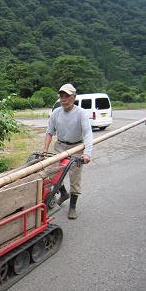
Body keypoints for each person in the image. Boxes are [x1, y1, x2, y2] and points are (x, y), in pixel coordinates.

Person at [42, 83, 93, 219]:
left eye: (67, 96)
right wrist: (45, 150)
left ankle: (72, 207)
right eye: (61, 96)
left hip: (76, 148)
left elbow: (87, 133)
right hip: (60, 146)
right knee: (53, 174)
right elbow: (49, 132)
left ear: (74, 97)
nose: (63, 99)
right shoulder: (56, 113)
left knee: (74, 179)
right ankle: (64, 193)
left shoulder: (81, 113)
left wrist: (87, 153)